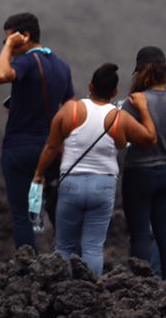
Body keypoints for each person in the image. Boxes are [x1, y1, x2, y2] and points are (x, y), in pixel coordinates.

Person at [31, 64, 156, 276]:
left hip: (71, 184)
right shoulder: (119, 118)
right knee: (93, 246)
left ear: (90, 86)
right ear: (115, 92)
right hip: (103, 186)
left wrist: (39, 174)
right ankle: (90, 294)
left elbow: (51, 146)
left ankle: (62, 290)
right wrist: (143, 108)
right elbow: (149, 137)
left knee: (64, 246)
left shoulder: (70, 111)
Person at [0, 13, 74, 253]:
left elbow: (0, 75)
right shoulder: (62, 66)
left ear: (24, 37)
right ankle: (67, 262)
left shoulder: (26, 62)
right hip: (52, 149)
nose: (7, 46)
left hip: (19, 149)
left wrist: (8, 47)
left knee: (21, 216)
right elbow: (70, 108)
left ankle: (27, 271)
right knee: (57, 211)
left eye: (8, 39)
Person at [119, 46, 166, 280]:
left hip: (138, 174)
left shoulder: (133, 103)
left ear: (140, 72)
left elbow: (123, 138)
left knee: (140, 235)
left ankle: (141, 287)